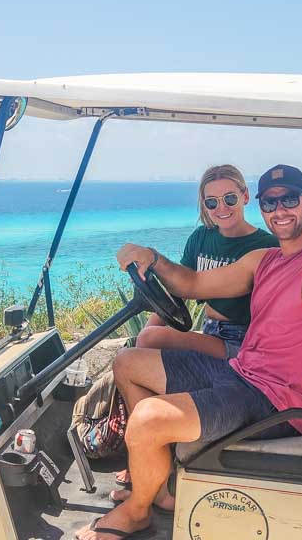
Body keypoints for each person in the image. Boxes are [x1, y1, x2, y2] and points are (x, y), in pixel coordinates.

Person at [75, 164, 302, 540]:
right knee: (127, 362)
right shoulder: (263, 260)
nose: (280, 211)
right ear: (261, 208)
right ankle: (160, 480)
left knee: (148, 420)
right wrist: (153, 258)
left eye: (289, 200)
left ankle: (137, 512)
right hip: (239, 373)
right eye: (270, 203)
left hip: (276, 400)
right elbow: (194, 284)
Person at [113, 164, 277, 494]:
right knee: (143, 344)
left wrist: (149, 339)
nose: (222, 208)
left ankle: (149, 458)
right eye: (212, 202)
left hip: (239, 342)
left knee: (148, 341)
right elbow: (178, 290)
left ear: (245, 196)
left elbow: (194, 285)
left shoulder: (265, 246)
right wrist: (146, 335)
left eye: (230, 198)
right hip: (211, 332)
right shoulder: (201, 238)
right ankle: (147, 451)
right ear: (204, 206)